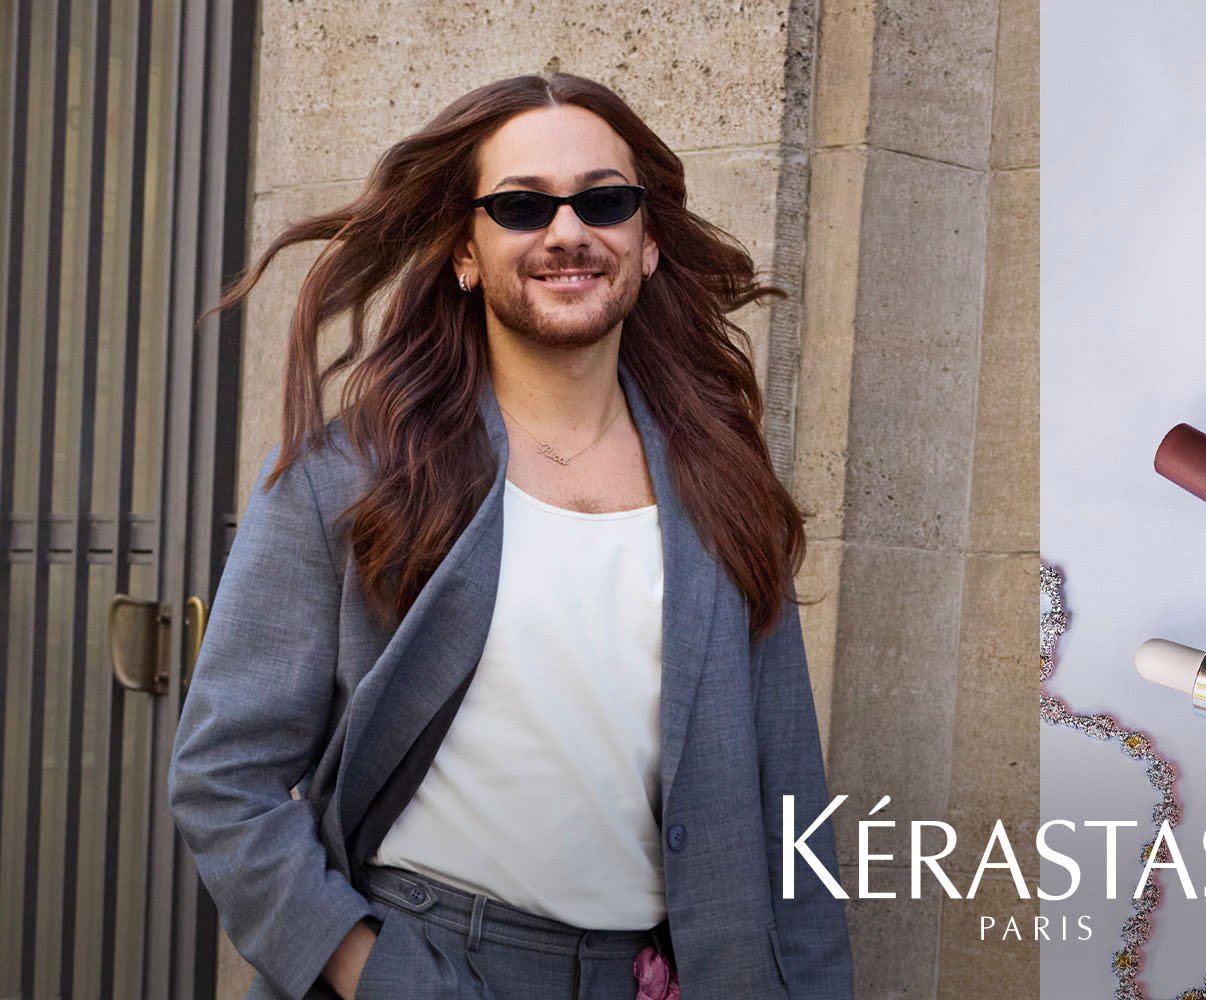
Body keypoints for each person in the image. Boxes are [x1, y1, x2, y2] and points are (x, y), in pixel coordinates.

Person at [167, 73, 851, 1000]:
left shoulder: (724, 484)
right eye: (522, 206)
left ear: (646, 243)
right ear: (464, 251)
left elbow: (789, 811)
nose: (567, 232)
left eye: (604, 201)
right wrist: (372, 971)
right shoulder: (348, 479)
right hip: (431, 962)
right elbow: (223, 778)